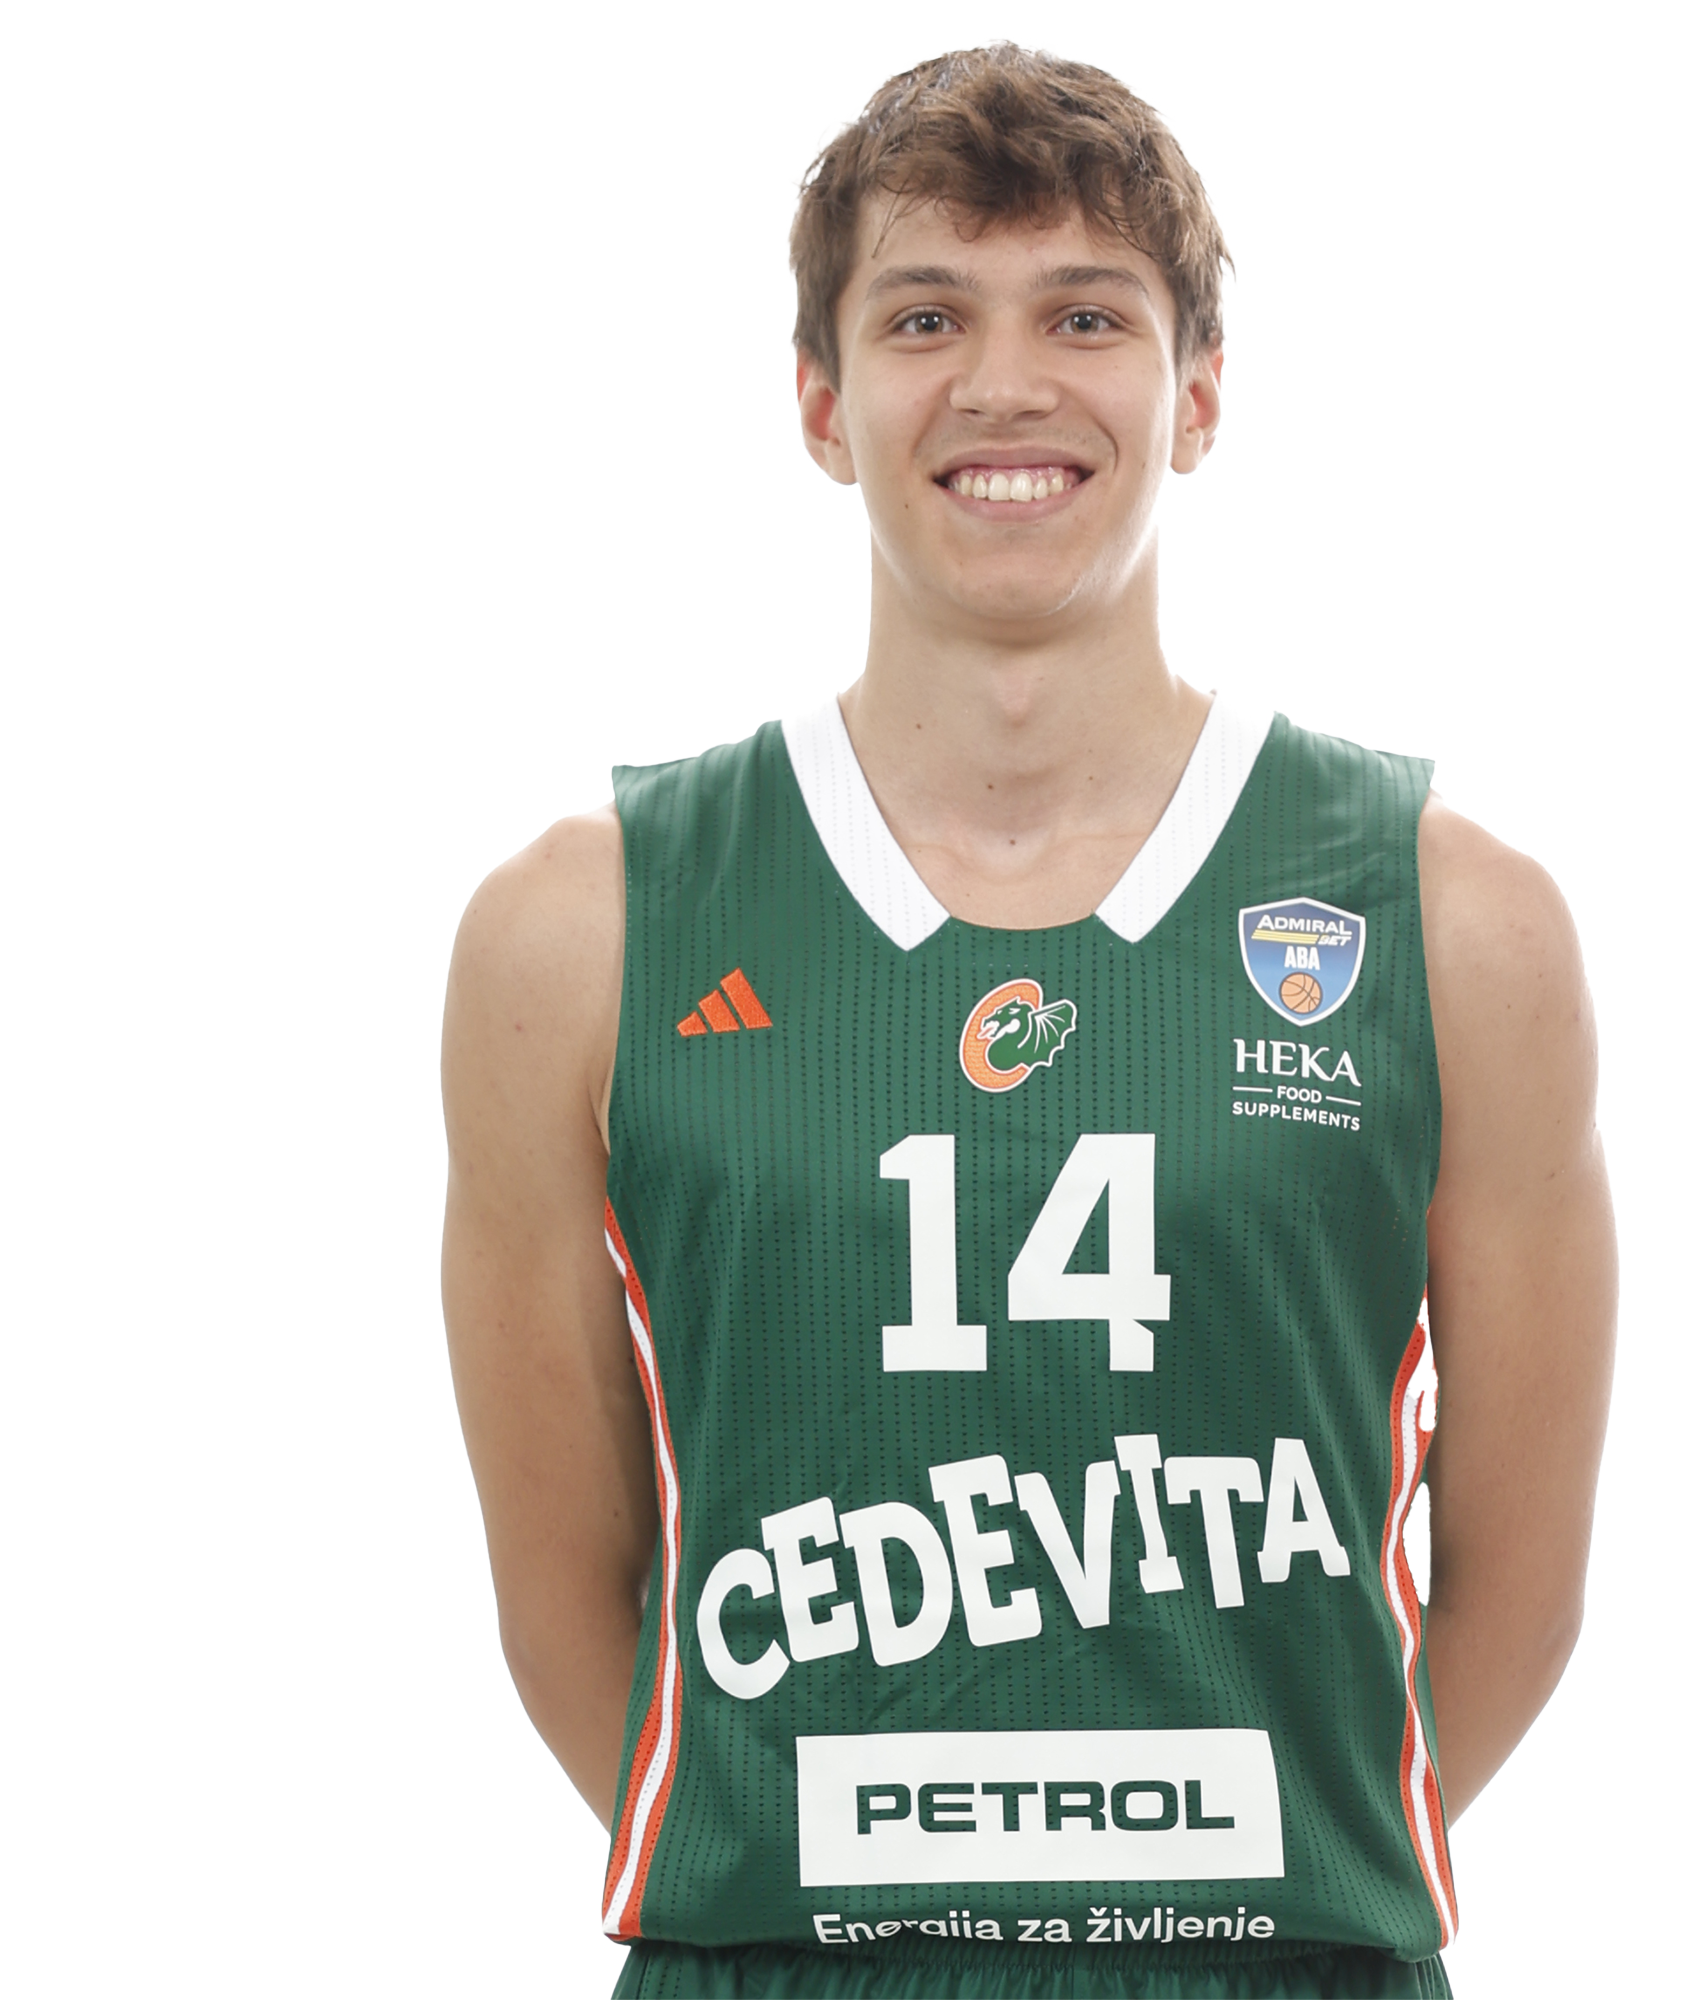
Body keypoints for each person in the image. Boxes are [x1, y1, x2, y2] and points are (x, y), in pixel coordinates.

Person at [441, 40, 1615, 2000]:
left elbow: (1518, 1585)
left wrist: (1225, 1904)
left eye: (1085, 314)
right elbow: (569, 1602)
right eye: (926, 317)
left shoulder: (1448, 919)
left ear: (1199, 390)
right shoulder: (585, 931)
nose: (1002, 385)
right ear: (820, 402)